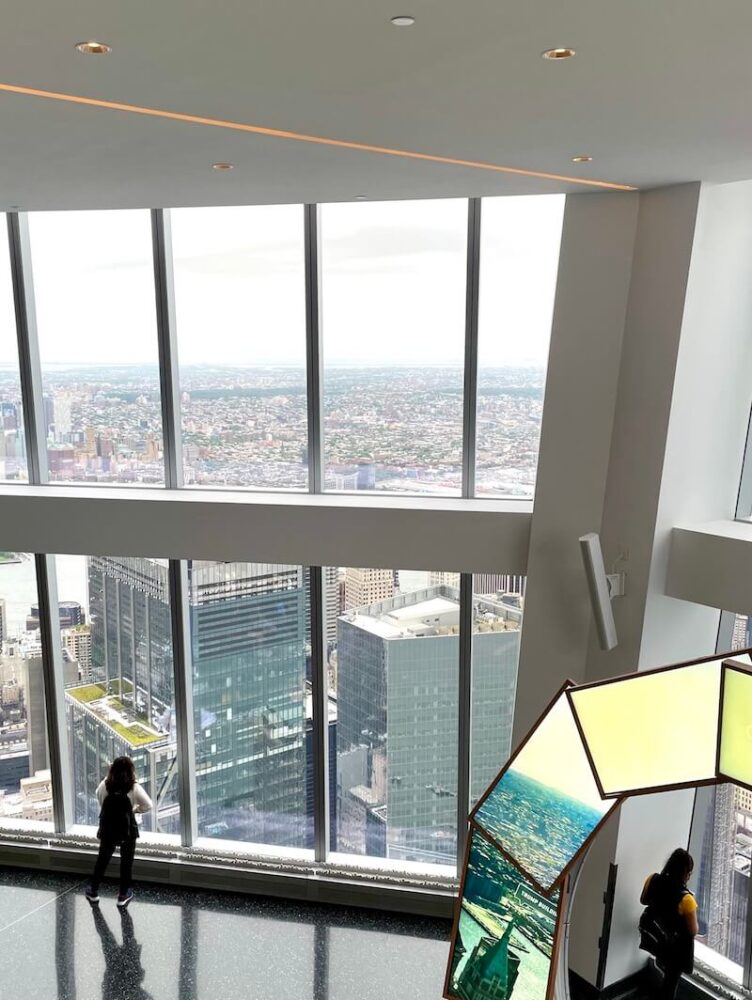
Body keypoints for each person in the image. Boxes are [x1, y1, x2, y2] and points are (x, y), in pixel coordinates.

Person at [85, 756, 153, 908]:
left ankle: (93, 891)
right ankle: (123, 895)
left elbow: (98, 795)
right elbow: (148, 805)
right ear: (130, 771)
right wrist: (134, 810)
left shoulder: (105, 785)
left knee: (102, 860)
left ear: (112, 769)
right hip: (127, 829)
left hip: (108, 827)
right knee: (126, 862)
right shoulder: (133, 787)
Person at [640, 848, 698, 1000]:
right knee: (670, 984)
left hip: (654, 938)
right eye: (689, 872)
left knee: (663, 963)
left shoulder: (653, 879)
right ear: (686, 873)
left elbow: (643, 900)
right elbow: (693, 931)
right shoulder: (687, 899)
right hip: (673, 949)